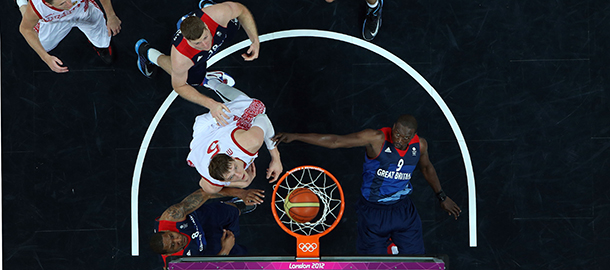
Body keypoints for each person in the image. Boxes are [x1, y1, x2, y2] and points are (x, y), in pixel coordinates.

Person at [273, 114, 461, 255]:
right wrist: (296, 136)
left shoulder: (420, 145)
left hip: (404, 211)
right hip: (373, 212)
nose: (399, 140)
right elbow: (336, 141)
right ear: (393, 127)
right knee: (372, 265)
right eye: (397, 134)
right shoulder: (375, 138)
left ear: (413, 135)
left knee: (416, 262)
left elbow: (427, 169)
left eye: (406, 137)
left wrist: (442, 196)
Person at [135, 0, 260, 126]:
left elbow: (242, 10)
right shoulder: (181, 57)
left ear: (205, 26)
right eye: (197, 43)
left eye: (205, 37)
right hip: (192, 58)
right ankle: (147, 52)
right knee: (189, 77)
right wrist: (211, 104)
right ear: (187, 40)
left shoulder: (218, 14)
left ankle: (208, 6)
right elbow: (179, 86)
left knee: (233, 25)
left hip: (214, 21)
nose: (206, 45)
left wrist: (255, 40)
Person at [186, 72, 282, 198]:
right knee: (211, 188)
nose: (238, 175)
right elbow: (205, 186)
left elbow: (263, 119)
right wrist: (242, 184)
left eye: (235, 168)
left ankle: (213, 82)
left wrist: (276, 158)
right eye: (231, 177)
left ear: (231, 157)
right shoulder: (213, 178)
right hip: (201, 142)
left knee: (254, 107)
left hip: (208, 127)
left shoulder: (249, 142)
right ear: (223, 180)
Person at [150, 188, 253, 269]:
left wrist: (241, 193)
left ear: (166, 230)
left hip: (200, 221)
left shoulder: (172, 216)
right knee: (237, 260)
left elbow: (205, 193)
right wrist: (225, 250)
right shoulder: (177, 264)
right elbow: (210, 268)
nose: (179, 239)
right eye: (173, 245)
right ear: (169, 254)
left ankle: (235, 206)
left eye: (172, 236)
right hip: (205, 249)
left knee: (231, 212)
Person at [18, 0, 121, 73]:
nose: (70, 4)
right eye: (63, 3)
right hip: (56, 21)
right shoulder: (38, 6)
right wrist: (45, 57)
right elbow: (25, 29)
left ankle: (97, 42)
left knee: (103, 41)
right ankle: (21, 3)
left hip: (83, 11)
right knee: (43, 45)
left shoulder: (69, 3)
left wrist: (111, 16)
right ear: (47, 3)